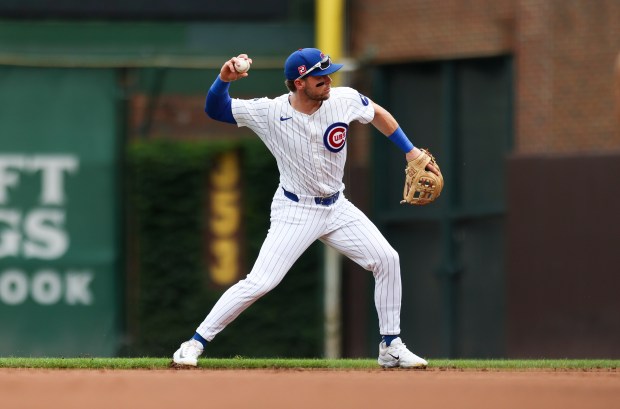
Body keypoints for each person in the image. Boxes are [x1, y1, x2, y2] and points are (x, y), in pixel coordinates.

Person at [173, 48, 437, 368]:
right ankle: (194, 343)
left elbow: (378, 114)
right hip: (295, 211)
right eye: (320, 76)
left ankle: (391, 345)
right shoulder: (269, 112)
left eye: (328, 73)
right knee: (261, 282)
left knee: (387, 259)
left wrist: (409, 151)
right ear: (299, 82)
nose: (328, 80)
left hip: (337, 206)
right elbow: (216, 110)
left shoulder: (343, 99)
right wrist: (223, 81)